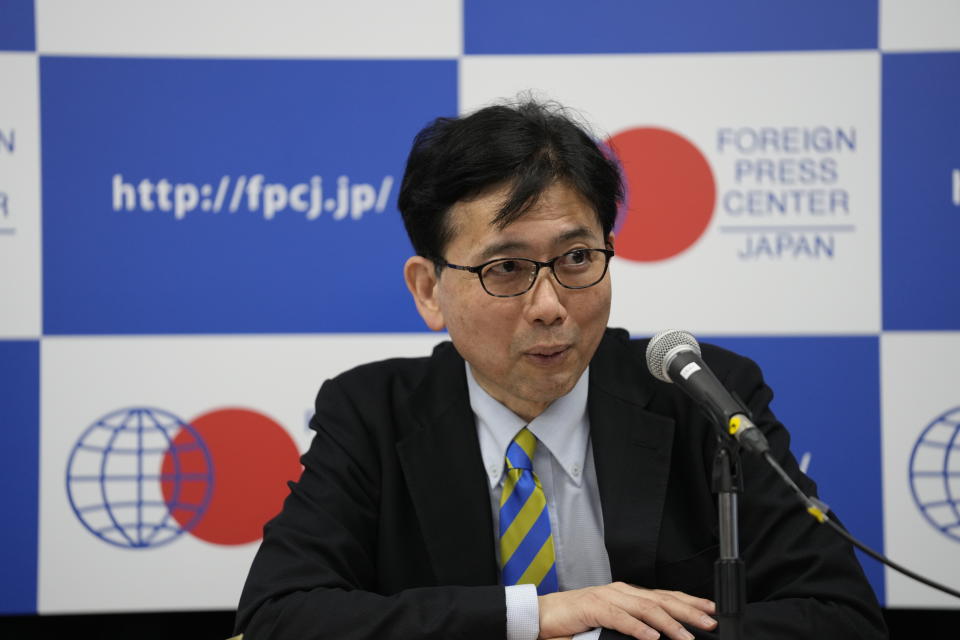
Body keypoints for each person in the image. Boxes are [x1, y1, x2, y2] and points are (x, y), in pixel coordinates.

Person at [234, 100, 887, 640]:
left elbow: (842, 616)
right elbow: (278, 617)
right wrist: (536, 616)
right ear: (429, 290)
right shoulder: (372, 413)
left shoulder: (699, 394)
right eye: (506, 269)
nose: (550, 307)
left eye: (576, 258)